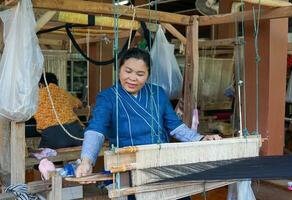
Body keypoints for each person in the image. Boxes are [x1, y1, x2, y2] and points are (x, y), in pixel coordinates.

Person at [76, 48, 221, 198]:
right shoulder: (107, 97)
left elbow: (175, 125)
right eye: (128, 71)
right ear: (119, 70)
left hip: (162, 163)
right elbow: (96, 129)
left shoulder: (157, 93)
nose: (133, 78)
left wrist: (201, 139)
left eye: (140, 74)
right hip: (131, 167)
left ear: (148, 75)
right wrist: (87, 160)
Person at [34, 72, 84, 149]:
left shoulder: (37, 95)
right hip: (76, 135)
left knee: (40, 156)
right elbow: (80, 104)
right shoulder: (64, 93)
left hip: (53, 137)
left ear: (41, 85)